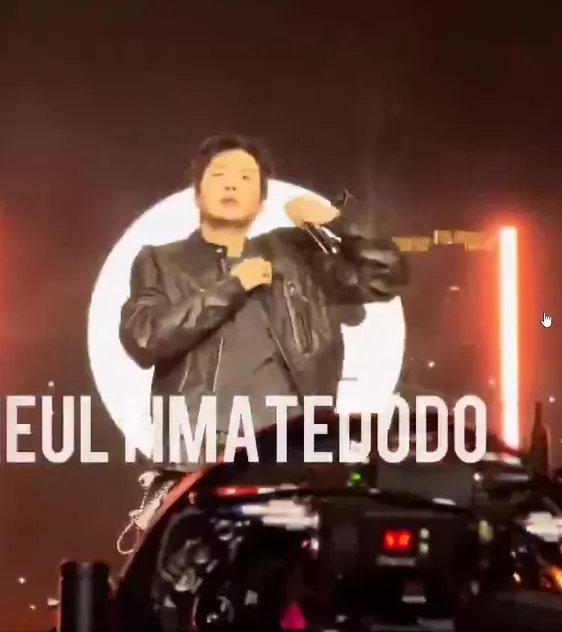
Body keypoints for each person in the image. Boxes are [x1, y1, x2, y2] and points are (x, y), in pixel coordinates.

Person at [116, 134, 407, 544]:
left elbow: (385, 277)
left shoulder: (295, 255)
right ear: (197, 192)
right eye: (219, 175)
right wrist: (234, 285)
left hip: (293, 456)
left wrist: (336, 220)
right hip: (201, 459)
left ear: (262, 199)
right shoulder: (160, 261)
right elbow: (146, 338)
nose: (231, 184)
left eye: (245, 177)